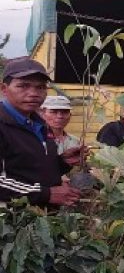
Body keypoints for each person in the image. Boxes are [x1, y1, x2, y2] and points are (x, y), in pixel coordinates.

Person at [0, 57, 84, 207]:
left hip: (39, 219)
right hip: (10, 222)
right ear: (4, 89)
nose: (33, 93)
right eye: (23, 86)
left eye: (40, 87)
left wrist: (62, 162)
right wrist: (46, 194)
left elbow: (27, 170)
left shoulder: (38, 124)